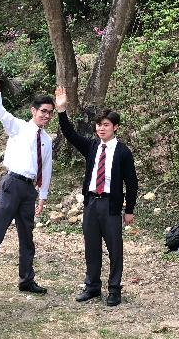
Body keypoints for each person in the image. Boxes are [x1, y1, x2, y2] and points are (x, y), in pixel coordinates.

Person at [0, 67, 54, 301]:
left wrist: (42, 195)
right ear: (33, 111)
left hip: (29, 190)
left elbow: (46, 168)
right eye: (43, 111)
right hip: (12, 184)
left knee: (27, 236)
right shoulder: (18, 127)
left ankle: (26, 279)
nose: (47, 116)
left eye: (50, 113)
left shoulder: (47, 140)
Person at [54, 87, 139, 306]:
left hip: (111, 205)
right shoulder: (92, 147)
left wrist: (129, 210)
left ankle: (114, 289)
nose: (101, 128)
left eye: (106, 125)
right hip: (91, 202)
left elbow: (131, 182)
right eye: (99, 124)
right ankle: (92, 286)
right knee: (91, 247)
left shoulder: (122, 151)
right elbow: (70, 135)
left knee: (115, 249)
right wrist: (61, 110)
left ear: (115, 127)